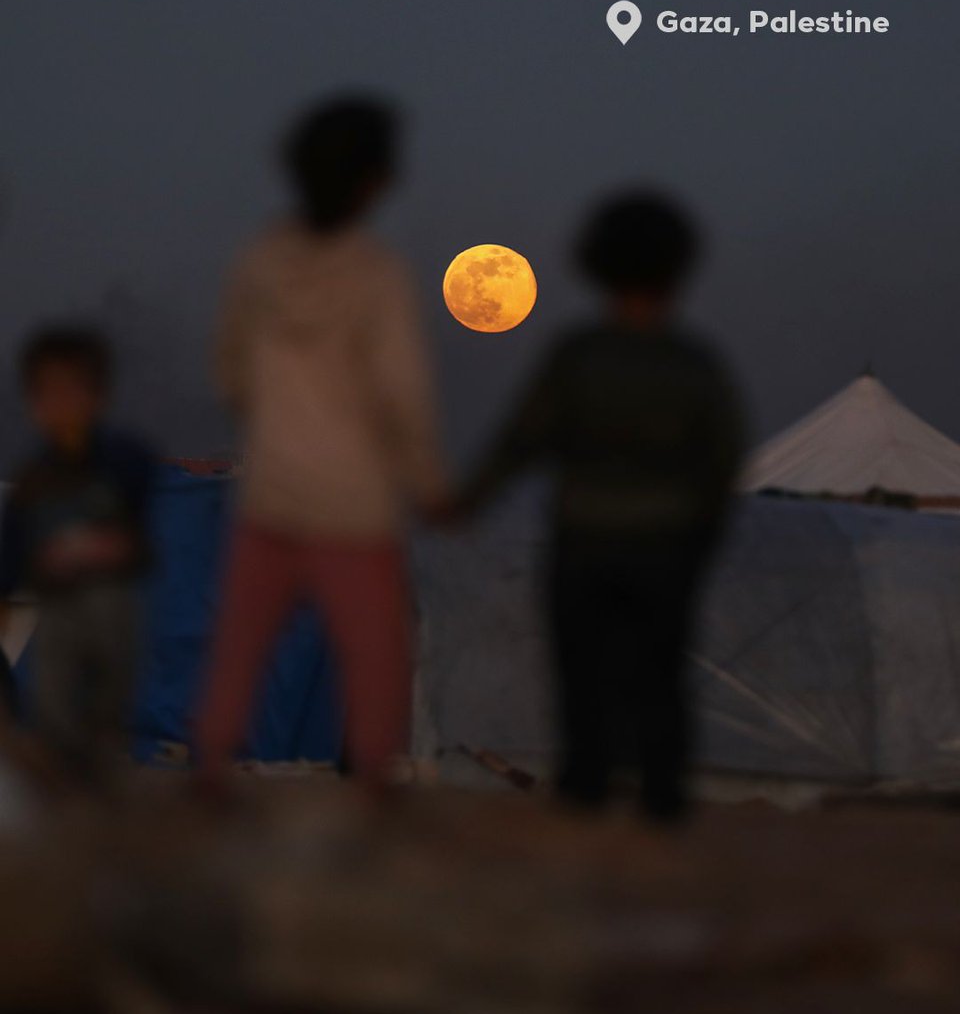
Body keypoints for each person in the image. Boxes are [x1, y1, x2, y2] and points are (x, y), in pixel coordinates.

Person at [457, 194, 743, 820]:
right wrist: (703, 537)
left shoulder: (578, 355)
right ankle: (662, 800)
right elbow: (724, 459)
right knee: (660, 677)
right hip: (666, 547)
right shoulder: (694, 364)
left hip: (584, 541)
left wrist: (466, 501)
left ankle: (585, 789)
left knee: (581, 676)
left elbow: (522, 439)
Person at [195, 96, 447, 792]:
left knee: (242, 641)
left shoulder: (257, 266)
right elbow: (403, 393)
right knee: (374, 650)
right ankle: (372, 781)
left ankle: (209, 766)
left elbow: (229, 373)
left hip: (272, 490)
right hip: (355, 501)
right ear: (376, 182)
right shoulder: (378, 276)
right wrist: (428, 483)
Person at [0, 327, 156, 786]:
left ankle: (102, 748)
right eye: (49, 394)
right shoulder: (34, 479)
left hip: (108, 594)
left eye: (73, 391)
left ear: (98, 396)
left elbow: (140, 522)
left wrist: (115, 545)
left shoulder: (120, 461)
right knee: (52, 679)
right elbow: (12, 551)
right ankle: (59, 757)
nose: (62, 405)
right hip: (57, 603)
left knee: (111, 664)